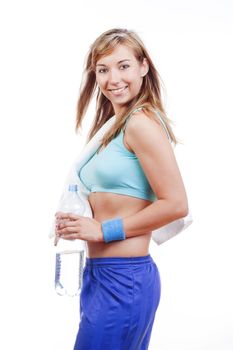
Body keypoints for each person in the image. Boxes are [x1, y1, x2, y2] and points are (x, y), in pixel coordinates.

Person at [55, 28, 189, 350]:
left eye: (123, 66)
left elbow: (176, 204)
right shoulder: (113, 128)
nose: (113, 78)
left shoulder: (141, 123)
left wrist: (102, 230)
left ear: (144, 66)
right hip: (101, 276)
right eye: (103, 69)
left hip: (124, 279)